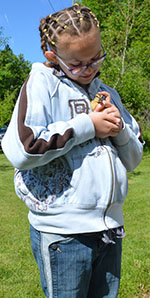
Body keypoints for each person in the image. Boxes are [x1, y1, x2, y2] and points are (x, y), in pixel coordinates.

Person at [2, 3, 144, 298]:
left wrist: (119, 131)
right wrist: (88, 126)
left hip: (109, 230)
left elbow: (133, 160)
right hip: (63, 234)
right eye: (77, 64)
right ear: (52, 55)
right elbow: (23, 148)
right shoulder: (42, 84)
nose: (89, 69)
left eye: (96, 58)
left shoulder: (108, 93)